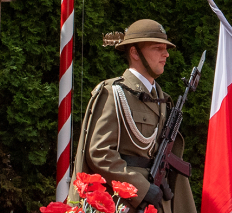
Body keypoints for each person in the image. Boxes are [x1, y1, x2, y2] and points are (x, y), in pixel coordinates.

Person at [70, 20, 196, 213]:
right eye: (157, 48)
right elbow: (99, 153)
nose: (166, 54)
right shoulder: (113, 93)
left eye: (166, 49)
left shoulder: (162, 100)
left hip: (160, 201)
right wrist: (143, 189)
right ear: (135, 53)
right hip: (127, 202)